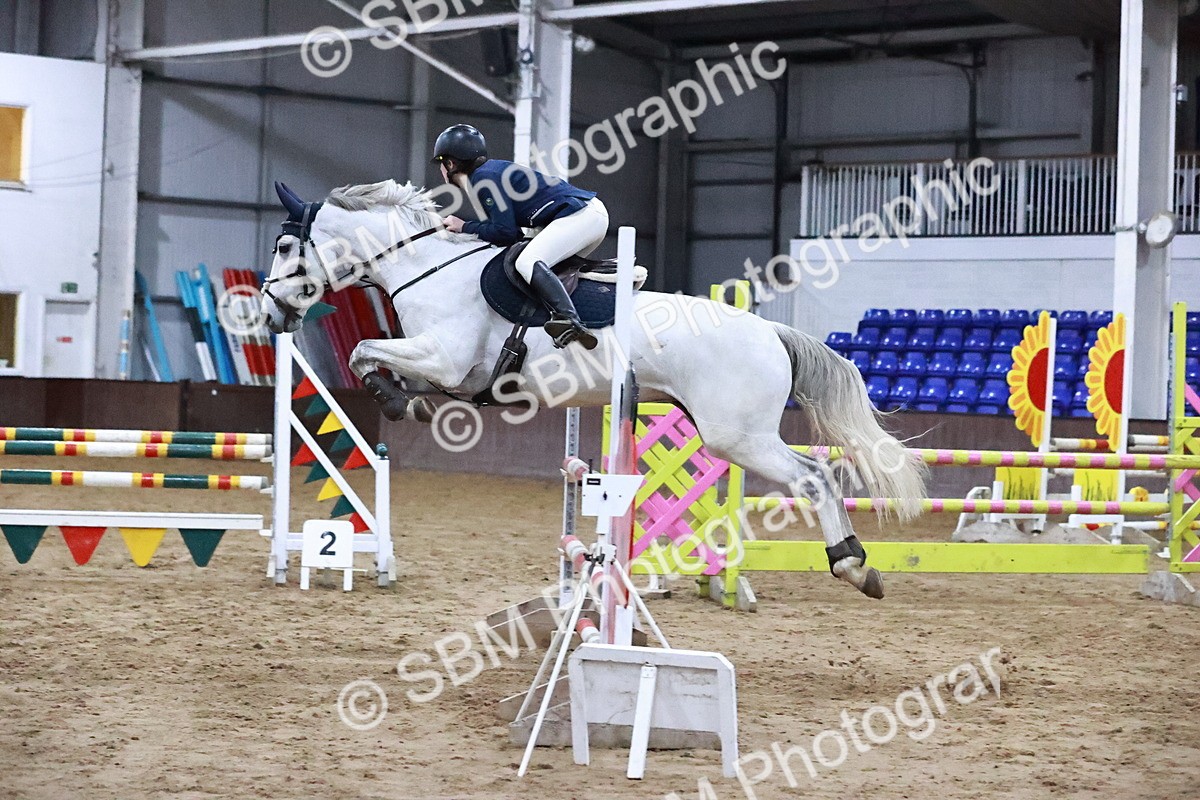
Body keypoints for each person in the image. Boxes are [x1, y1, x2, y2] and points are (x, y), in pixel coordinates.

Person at [432, 124, 606, 350]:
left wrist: (464, 226)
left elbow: (504, 233)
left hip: (581, 216)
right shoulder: (488, 174)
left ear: (450, 164)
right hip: (583, 215)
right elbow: (513, 234)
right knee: (538, 271)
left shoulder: (482, 180)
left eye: (441, 164)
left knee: (527, 262)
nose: (441, 170)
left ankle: (569, 319)